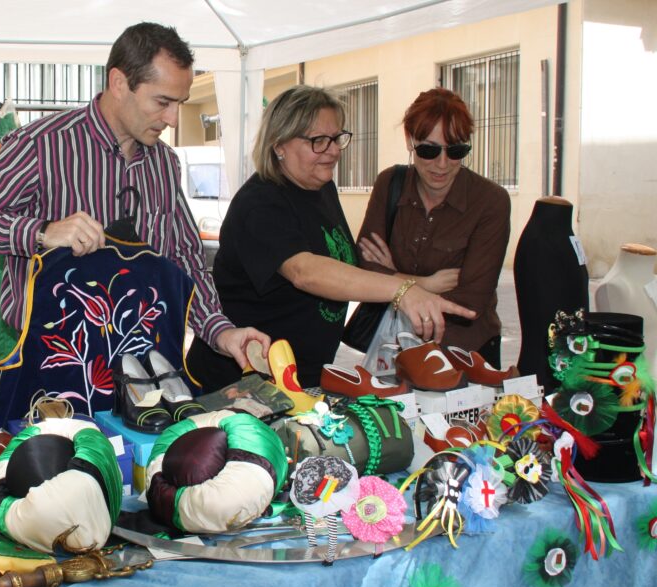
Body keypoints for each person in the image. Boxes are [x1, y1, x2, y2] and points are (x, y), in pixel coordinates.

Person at [0, 22, 268, 370]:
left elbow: (185, 258)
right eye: (162, 102)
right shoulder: (43, 146)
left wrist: (220, 331)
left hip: (142, 362)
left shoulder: (165, 164)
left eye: (180, 104)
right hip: (53, 366)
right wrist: (42, 231)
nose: (173, 119)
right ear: (119, 83)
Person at [186, 85, 476, 391]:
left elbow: (341, 267)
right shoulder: (260, 203)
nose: (334, 150)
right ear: (279, 144)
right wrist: (402, 290)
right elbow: (305, 272)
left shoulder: (321, 188)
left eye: (336, 138)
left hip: (303, 379)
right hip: (240, 384)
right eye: (318, 141)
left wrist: (412, 284)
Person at [357, 88, 511, 367]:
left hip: (465, 354)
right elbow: (364, 270)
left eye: (456, 151)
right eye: (429, 150)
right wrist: (427, 284)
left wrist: (393, 278)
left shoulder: (490, 200)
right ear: (409, 140)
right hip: (396, 351)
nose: (442, 164)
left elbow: (470, 302)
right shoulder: (389, 184)